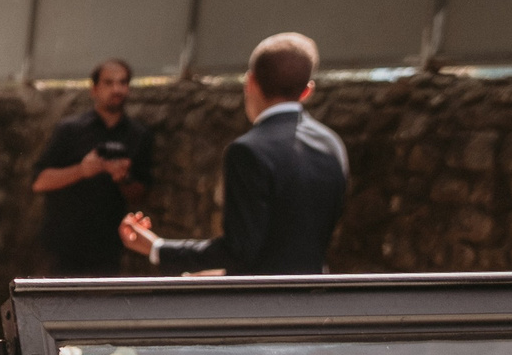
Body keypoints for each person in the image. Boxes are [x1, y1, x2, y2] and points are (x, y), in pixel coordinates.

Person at [122, 32, 347, 275]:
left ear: (250, 82)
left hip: (260, 303)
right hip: (317, 298)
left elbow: (239, 252)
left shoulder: (249, 151)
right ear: (307, 91)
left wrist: (158, 248)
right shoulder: (332, 143)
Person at [30, 56, 152, 275]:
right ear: (94, 89)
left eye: (122, 83)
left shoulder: (138, 135)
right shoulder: (70, 130)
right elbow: (39, 182)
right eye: (109, 82)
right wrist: (82, 171)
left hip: (108, 247)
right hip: (63, 245)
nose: (117, 89)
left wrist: (122, 178)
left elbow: (140, 193)